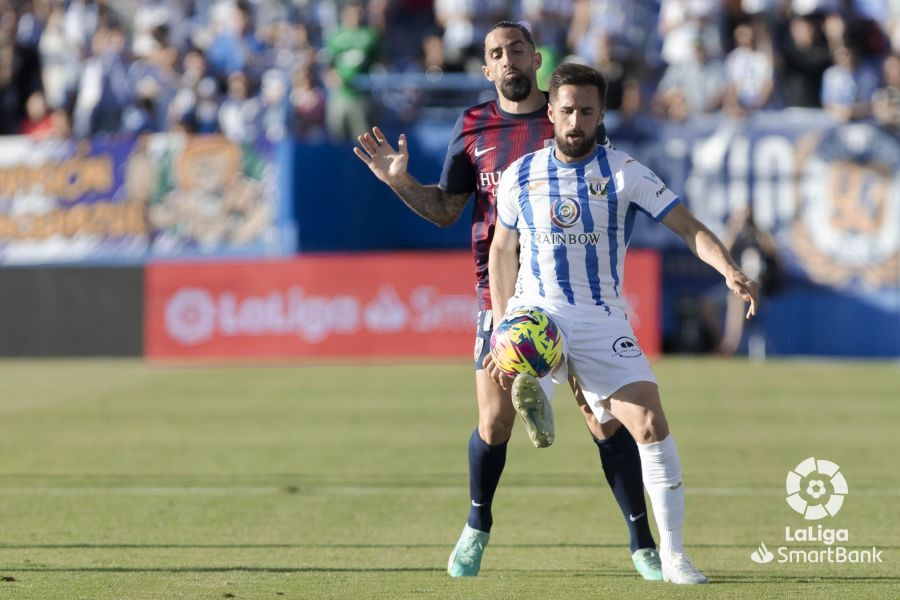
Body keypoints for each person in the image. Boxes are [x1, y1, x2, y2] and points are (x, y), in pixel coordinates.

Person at [353, 22, 662, 580]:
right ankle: (477, 527)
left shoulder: (568, 117)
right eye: (496, 53)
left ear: (536, 58)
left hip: (574, 293)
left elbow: (608, 201)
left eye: (517, 49)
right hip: (502, 293)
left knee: (604, 421)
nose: (509, 59)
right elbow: (448, 209)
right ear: (486, 70)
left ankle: (643, 545)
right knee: (493, 424)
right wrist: (400, 183)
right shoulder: (473, 125)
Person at [487, 62, 759, 584]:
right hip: (535, 313)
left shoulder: (623, 171)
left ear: (601, 113)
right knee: (523, 359)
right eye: (566, 110)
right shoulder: (520, 174)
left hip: (599, 317)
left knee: (649, 424)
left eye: (586, 111)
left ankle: (674, 555)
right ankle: (535, 387)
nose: (575, 122)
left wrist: (728, 268)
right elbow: (503, 249)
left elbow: (687, 226)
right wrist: (502, 322)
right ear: (550, 112)